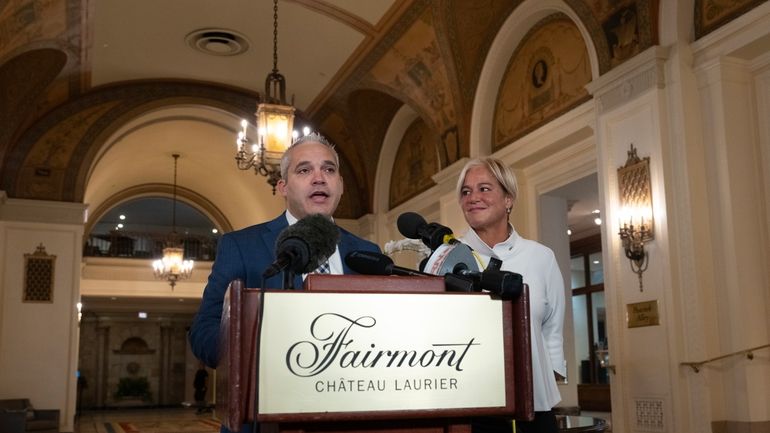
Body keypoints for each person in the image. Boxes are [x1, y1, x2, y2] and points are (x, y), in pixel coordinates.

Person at [188, 132, 380, 433]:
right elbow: (204, 330)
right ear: (282, 186)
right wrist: (255, 360)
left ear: (340, 185)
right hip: (264, 421)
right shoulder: (241, 246)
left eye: (329, 169)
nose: (319, 178)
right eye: (304, 170)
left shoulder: (367, 253)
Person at [456, 157, 565, 433]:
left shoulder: (541, 257)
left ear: (508, 199)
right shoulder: (447, 257)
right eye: (466, 192)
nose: (473, 198)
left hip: (535, 410)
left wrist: (541, 383)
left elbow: (552, 330)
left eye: (484, 189)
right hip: (470, 410)